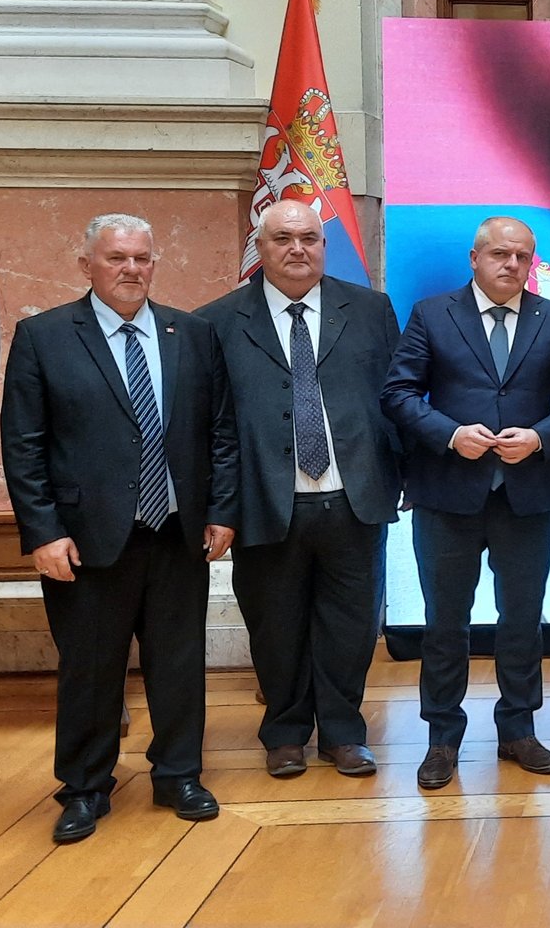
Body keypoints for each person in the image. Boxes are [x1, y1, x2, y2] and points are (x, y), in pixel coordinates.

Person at [0, 214, 239, 845]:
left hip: (177, 532)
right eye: (116, 258)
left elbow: (221, 431)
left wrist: (222, 510)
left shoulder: (192, 333)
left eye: (142, 258)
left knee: (179, 663)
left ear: (154, 263)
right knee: (90, 668)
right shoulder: (44, 336)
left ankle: (179, 774)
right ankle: (84, 787)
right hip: (85, 539)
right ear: (87, 265)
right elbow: (23, 445)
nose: (131, 269)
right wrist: (43, 532)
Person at [383, 217, 550, 784]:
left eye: (523, 256)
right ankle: (442, 738)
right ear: (474, 258)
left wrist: (541, 436)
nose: (512, 264)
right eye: (500, 254)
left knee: (522, 619)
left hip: (527, 496)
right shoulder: (432, 313)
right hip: (447, 493)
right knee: (444, 622)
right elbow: (398, 393)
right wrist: (451, 434)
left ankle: (518, 730)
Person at [198, 201, 403, 779]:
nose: (297, 249)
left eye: (309, 238)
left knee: (352, 626)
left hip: (354, 499)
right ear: (259, 248)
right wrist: (219, 506)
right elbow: (209, 425)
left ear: (323, 246)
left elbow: (396, 398)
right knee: (275, 626)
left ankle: (343, 733)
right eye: (283, 238)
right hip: (265, 502)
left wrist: (404, 477)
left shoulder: (369, 309)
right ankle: (285, 734)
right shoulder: (216, 321)